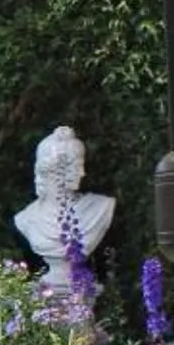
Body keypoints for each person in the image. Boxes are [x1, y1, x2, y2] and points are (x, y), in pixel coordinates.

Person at [11, 125, 115, 292]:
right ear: (53, 170)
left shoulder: (100, 208)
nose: (82, 173)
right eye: (76, 166)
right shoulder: (26, 219)